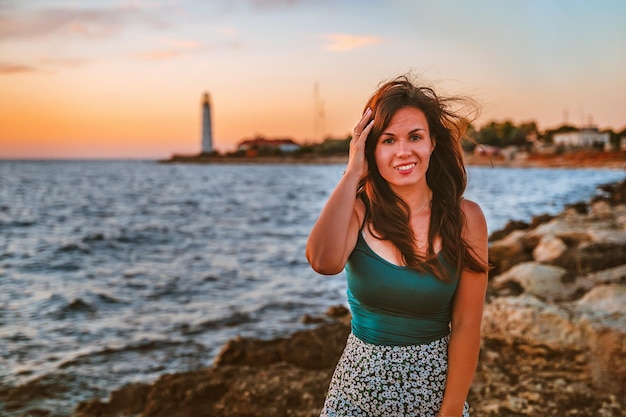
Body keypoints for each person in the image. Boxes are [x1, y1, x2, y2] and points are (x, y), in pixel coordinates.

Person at [306, 75, 489, 417]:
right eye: (388, 140)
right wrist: (351, 174)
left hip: (432, 397)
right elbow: (323, 261)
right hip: (355, 397)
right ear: (370, 149)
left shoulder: (467, 219)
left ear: (433, 143)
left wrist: (450, 410)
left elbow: (467, 324)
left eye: (415, 137)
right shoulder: (358, 210)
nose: (403, 151)